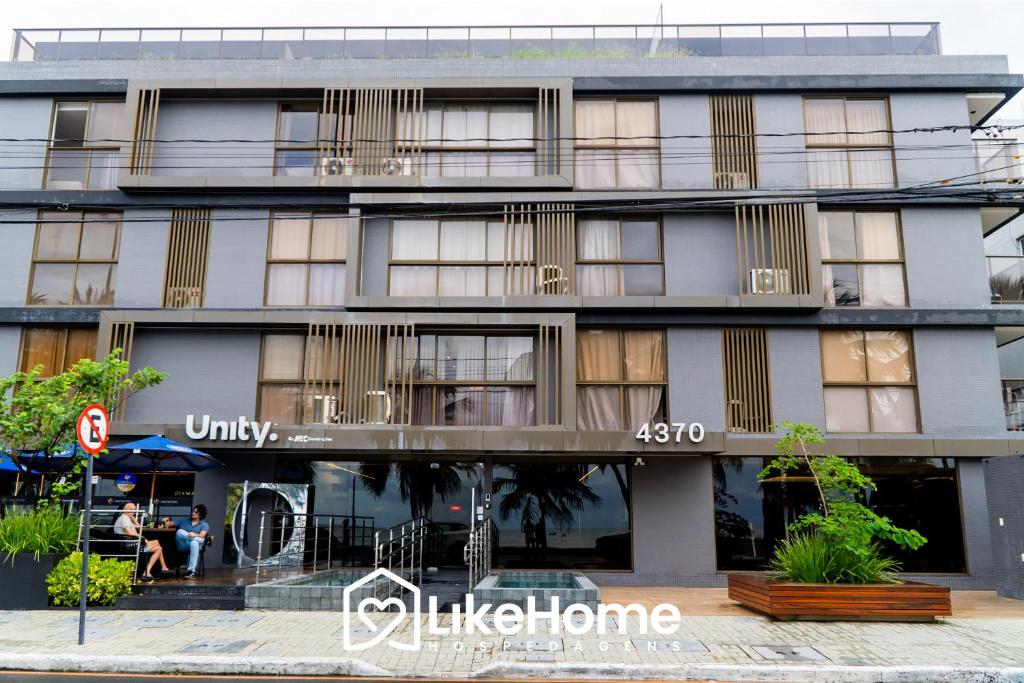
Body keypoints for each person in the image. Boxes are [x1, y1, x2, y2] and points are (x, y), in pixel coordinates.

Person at [113, 502, 171, 581]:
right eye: (131, 510)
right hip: (131, 545)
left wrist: (133, 518)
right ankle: (147, 572)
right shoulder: (124, 518)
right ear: (125, 510)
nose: (133, 512)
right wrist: (142, 537)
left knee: (156, 542)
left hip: (133, 543)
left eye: (134, 510)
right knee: (158, 549)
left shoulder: (127, 518)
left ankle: (163, 567)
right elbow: (129, 532)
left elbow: (139, 528)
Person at [175, 504, 209, 579]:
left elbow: (202, 535)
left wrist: (194, 535)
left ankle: (191, 571)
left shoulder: (204, 524)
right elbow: (171, 524)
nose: (193, 513)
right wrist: (166, 521)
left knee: (194, 543)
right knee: (179, 531)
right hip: (182, 545)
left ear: (200, 515)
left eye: (196, 512)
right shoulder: (184, 520)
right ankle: (204, 541)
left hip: (194, 547)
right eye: (193, 511)